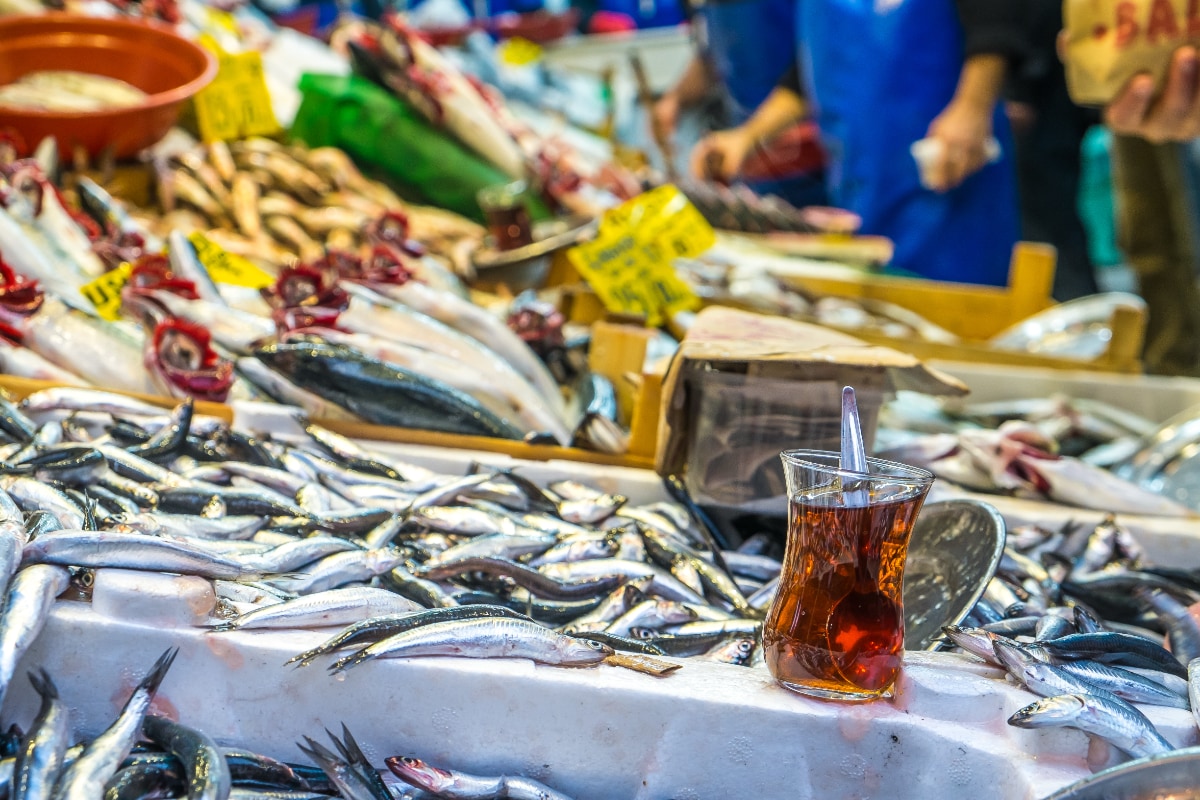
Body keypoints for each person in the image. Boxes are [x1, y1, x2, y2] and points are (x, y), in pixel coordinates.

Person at [689, 0, 1025, 287]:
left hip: (943, 166)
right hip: (859, 180)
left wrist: (972, 107)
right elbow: (807, 71)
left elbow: (995, 23)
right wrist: (746, 138)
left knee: (955, 300)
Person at [652, 0, 827, 207]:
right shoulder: (707, 8)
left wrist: (746, 137)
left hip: (808, 170)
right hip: (748, 171)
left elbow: (808, 76)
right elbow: (712, 55)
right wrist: (674, 99)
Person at [1007, 0, 1099, 301]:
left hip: (1044, 85)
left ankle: (1073, 315)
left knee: (1046, 222)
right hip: (1047, 73)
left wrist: (1020, 85)